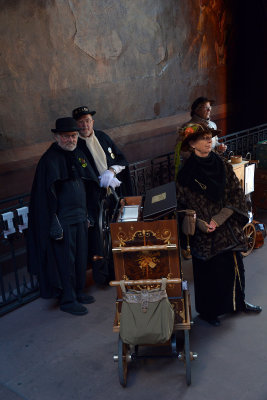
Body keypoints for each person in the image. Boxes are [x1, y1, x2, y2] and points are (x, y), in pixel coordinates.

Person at [175, 123, 262, 326]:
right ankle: (208, 312)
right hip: (204, 231)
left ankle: (239, 302)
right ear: (192, 144)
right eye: (204, 138)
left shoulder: (221, 164)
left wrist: (220, 217)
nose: (209, 140)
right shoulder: (185, 174)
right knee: (208, 272)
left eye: (210, 137)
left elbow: (235, 193)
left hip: (226, 225)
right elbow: (183, 204)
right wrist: (202, 224)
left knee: (235, 265)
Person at [27, 117, 100, 316]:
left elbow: (88, 182)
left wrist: (88, 213)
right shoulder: (49, 160)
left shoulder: (78, 153)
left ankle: (78, 291)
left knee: (80, 259)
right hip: (63, 221)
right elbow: (44, 199)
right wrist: (53, 223)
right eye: (67, 136)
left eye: (74, 135)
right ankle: (68, 299)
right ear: (57, 137)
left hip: (80, 217)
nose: (71, 140)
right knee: (65, 262)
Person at [72, 106, 133, 285]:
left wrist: (112, 171)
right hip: (92, 199)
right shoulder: (75, 145)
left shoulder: (103, 137)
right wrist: (97, 180)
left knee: (118, 232)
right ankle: (103, 275)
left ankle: (122, 269)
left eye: (87, 121)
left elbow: (121, 159)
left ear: (93, 122)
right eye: (81, 122)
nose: (85, 125)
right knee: (98, 239)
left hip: (113, 194)